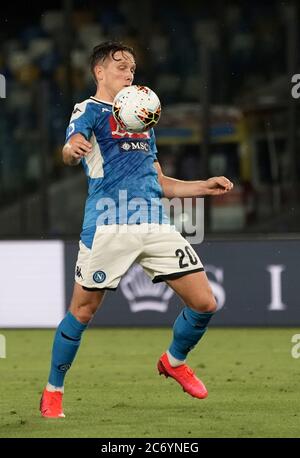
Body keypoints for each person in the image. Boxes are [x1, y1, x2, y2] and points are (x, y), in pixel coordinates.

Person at [40, 41, 233, 418]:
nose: (129, 73)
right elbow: (68, 149)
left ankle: (174, 361)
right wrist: (72, 147)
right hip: (109, 225)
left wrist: (201, 187)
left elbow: (158, 181)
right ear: (100, 72)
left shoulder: (142, 117)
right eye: (120, 67)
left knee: (205, 303)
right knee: (82, 312)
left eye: (132, 68)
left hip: (154, 222)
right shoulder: (89, 110)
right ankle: (53, 390)